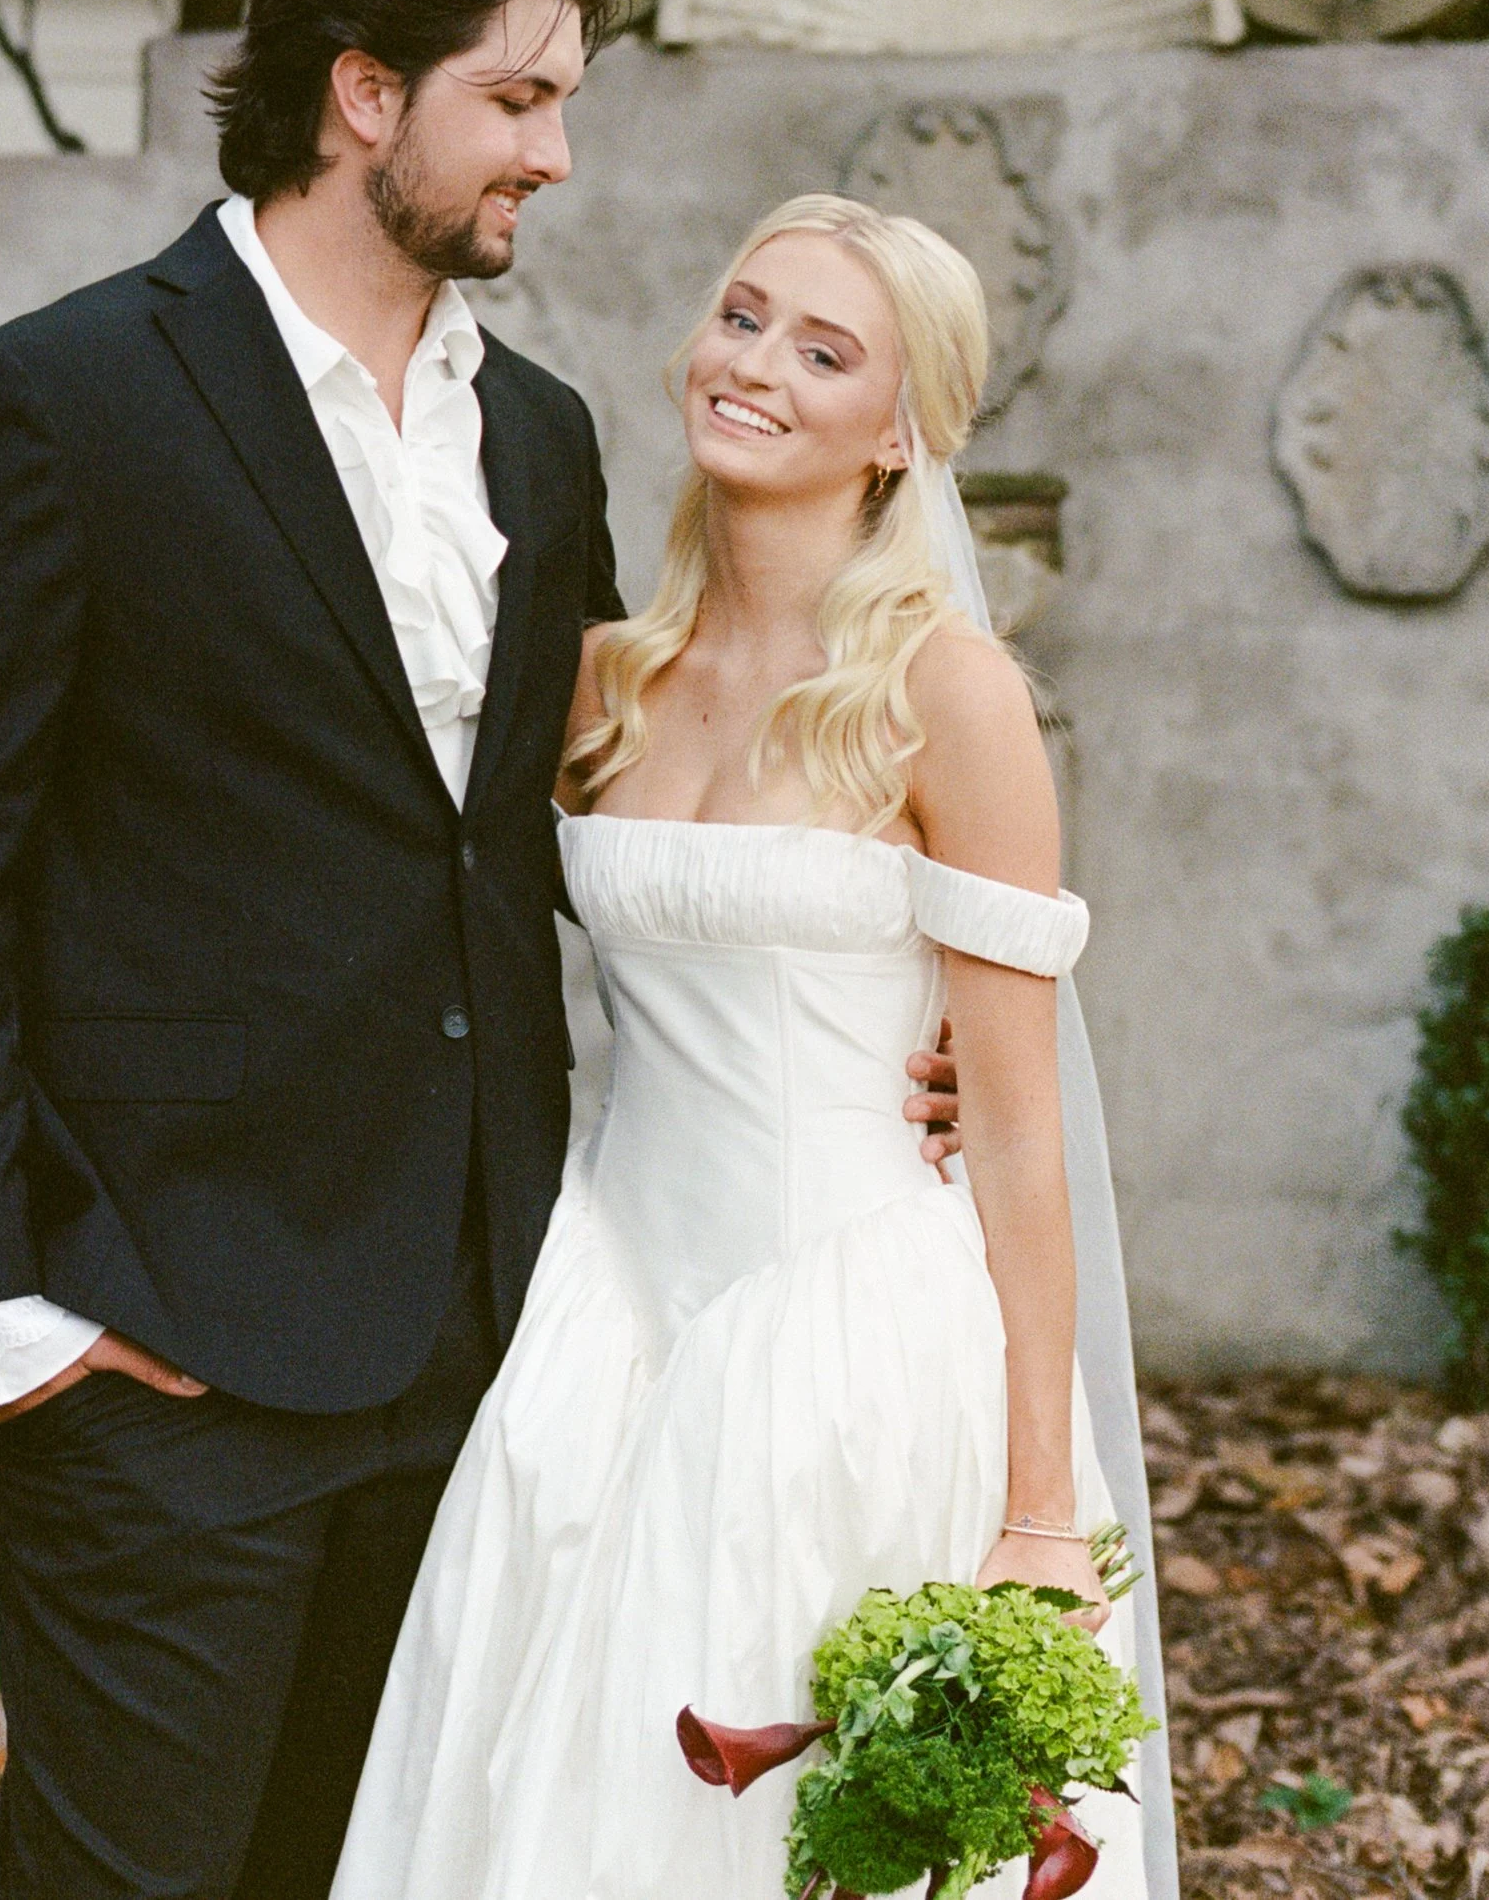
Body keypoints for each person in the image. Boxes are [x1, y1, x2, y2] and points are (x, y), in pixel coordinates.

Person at [0, 0, 961, 1900]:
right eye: (519, 99)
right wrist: (1, 1309)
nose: (557, 150)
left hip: (484, 1345)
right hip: (162, 1342)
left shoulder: (534, 438)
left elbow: (617, 812)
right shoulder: (60, 403)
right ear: (367, 97)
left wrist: (903, 1003)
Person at [328, 192, 1173, 1900]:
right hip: (601, 1317)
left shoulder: (950, 693)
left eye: (823, 348)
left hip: (848, 1347)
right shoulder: (598, 681)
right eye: (742, 313)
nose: (755, 364)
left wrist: (1031, 1512)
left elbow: (1013, 1132)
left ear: (902, 430)